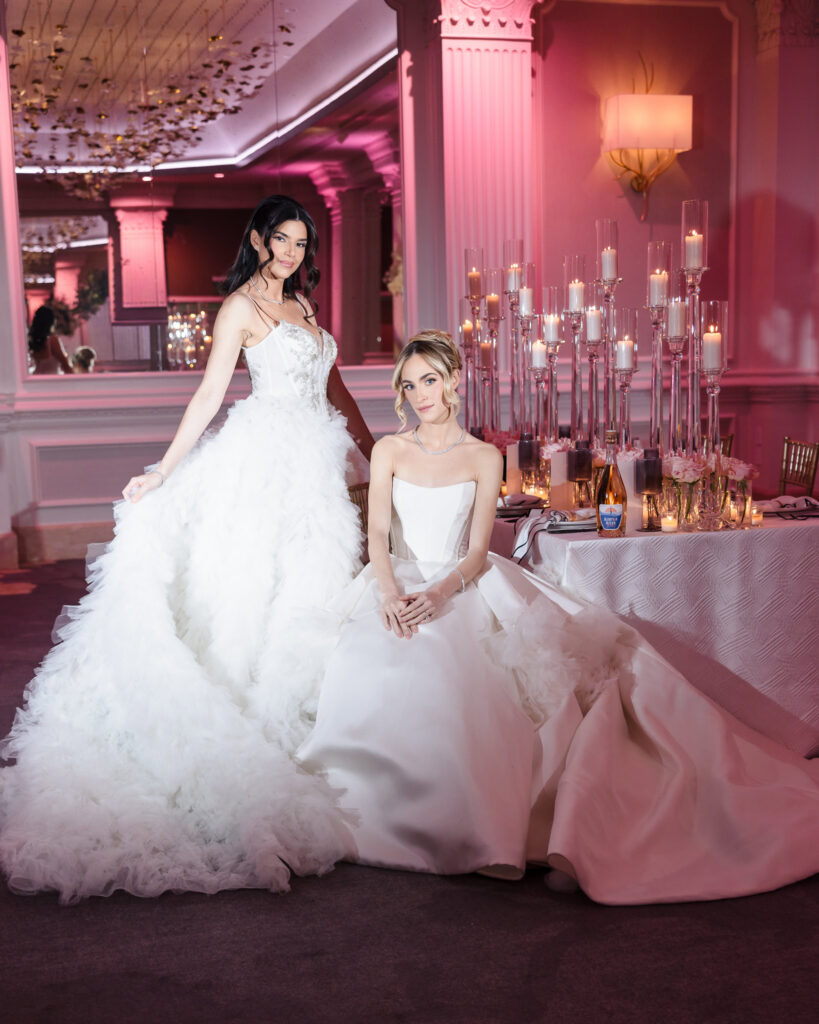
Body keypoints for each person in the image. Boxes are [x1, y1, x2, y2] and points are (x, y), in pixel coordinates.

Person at [298, 330, 819, 904]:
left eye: (430, 380)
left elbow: (475, 553)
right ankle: (365, 818)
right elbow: (375, 540)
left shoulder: (480, 456)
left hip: (459, 582)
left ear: (452, 382)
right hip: (394, 580)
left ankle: (470, 824)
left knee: (453, 663)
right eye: (409, 383)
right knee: (367, 660)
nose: (420, 394)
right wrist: (393, 594)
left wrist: (439, 595)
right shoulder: (390, 451)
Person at [0, 195, 374, 903]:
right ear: (260, 241)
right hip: (262, 460)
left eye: (302, 242)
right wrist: (163, 470)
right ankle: (255, 734)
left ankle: (308, 726)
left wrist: (372, 449)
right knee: (251, 589)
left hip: (314, 469)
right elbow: (208, 397)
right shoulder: (240, 307)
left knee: (310, 586)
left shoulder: (305, 309)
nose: (293, 253)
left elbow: (335, 389)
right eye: (283, 241)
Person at [27, 305, 72, 374]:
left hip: (36, 378)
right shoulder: (52, 340)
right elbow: (65, 365)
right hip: (51, 380)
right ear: (51, 321)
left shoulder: (32, 339)